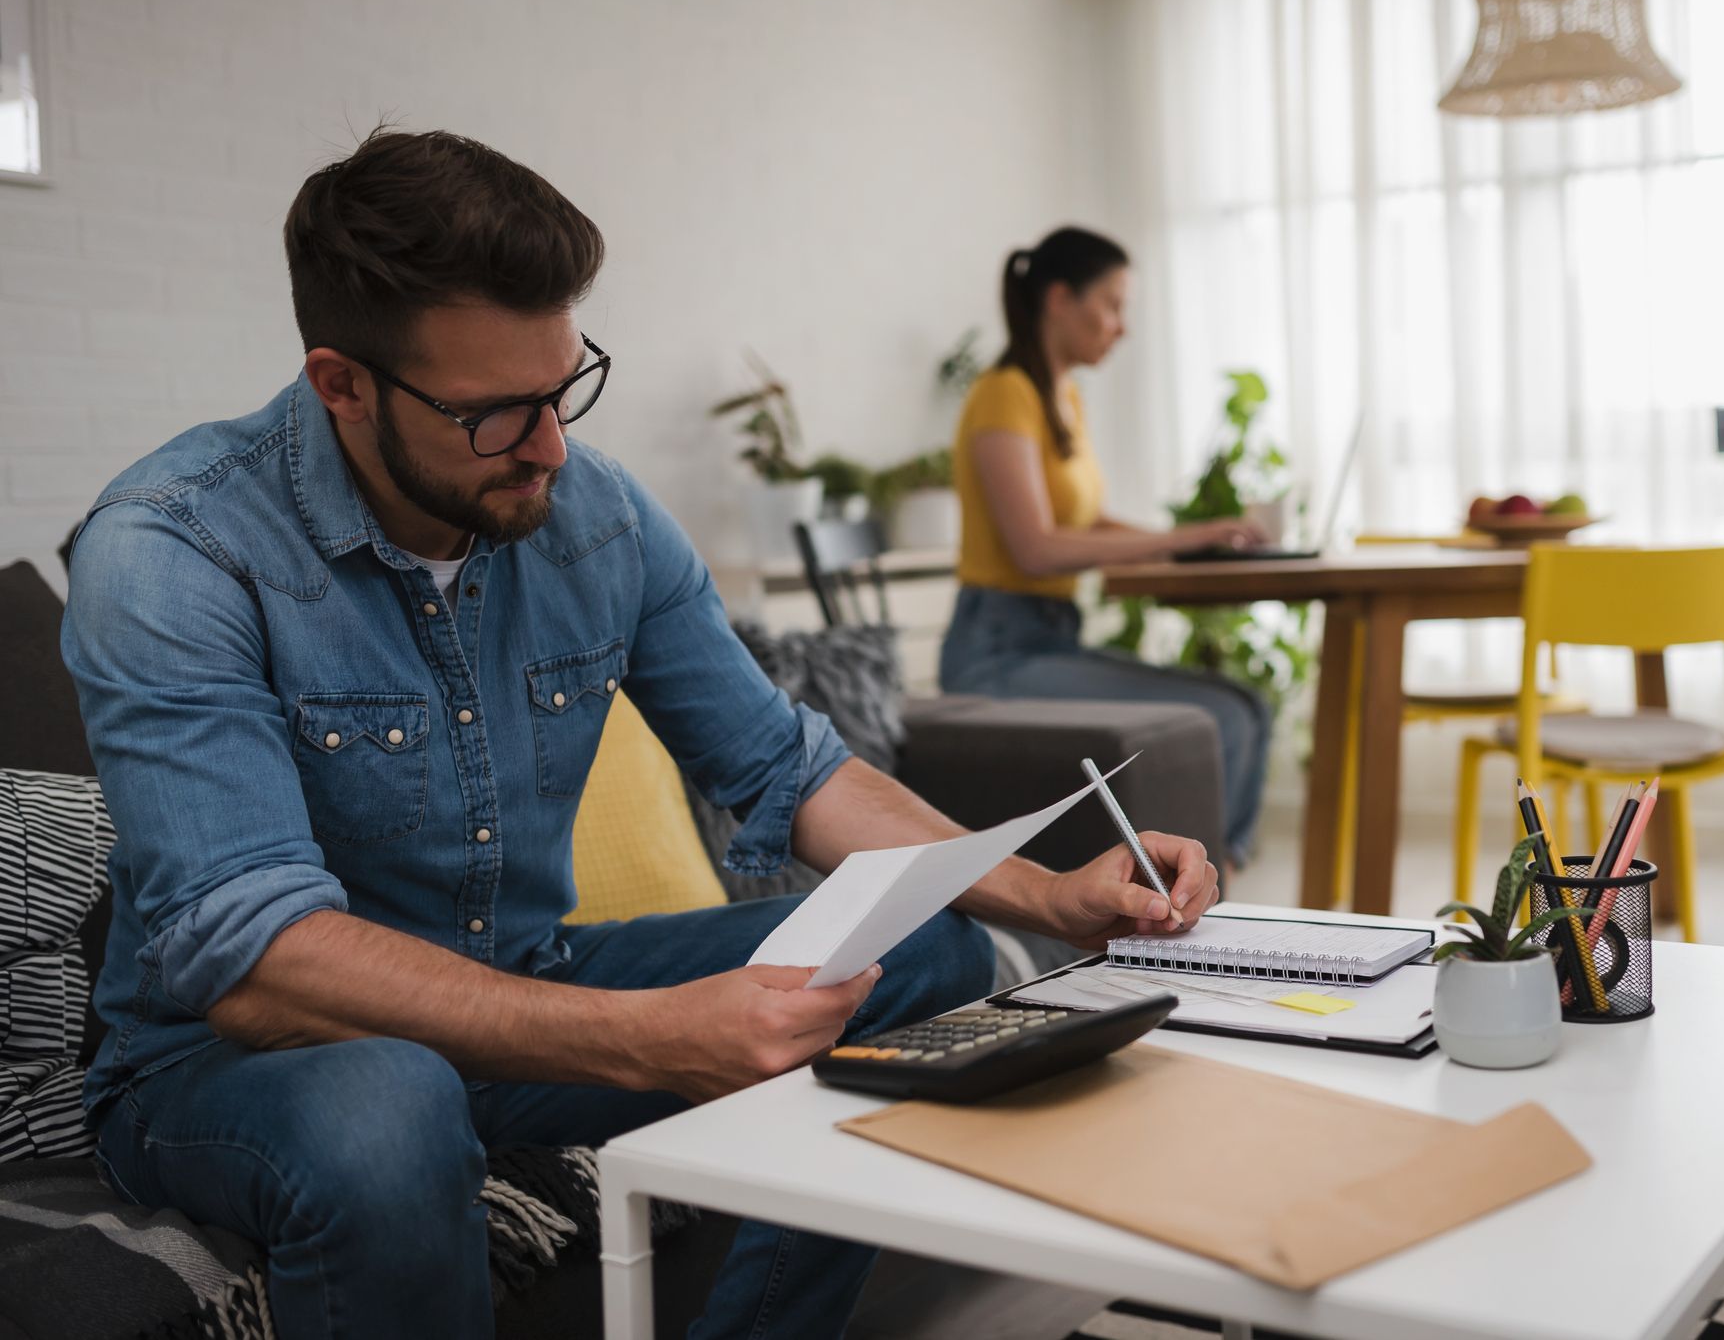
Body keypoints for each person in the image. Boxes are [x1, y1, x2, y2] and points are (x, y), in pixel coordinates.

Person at [61, 130, 1219, 1340]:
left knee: (920, 948)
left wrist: (1047, 892)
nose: (552, 446)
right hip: (231, 1067)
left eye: (563, 387)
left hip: (525, 987)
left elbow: (787, 763)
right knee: (385, 1103)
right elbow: (250, 959)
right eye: (497, 414)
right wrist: (647, 1038)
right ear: (342, 384)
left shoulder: (595, 517)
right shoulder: (175, 553)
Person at [938, 227, 1274, 863]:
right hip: (996, 654)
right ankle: (1202, 901)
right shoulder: (1003, 393)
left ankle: (1210, 888)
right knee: (1223, 718)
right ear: (1060, 299)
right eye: (1113, 305)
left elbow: (1086, 523)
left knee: (1247, 705)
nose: (1122, 326)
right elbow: (1035, 548)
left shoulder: (1062, 396)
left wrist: (1191, 539)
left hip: (1048, 637)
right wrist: (1177, 537)